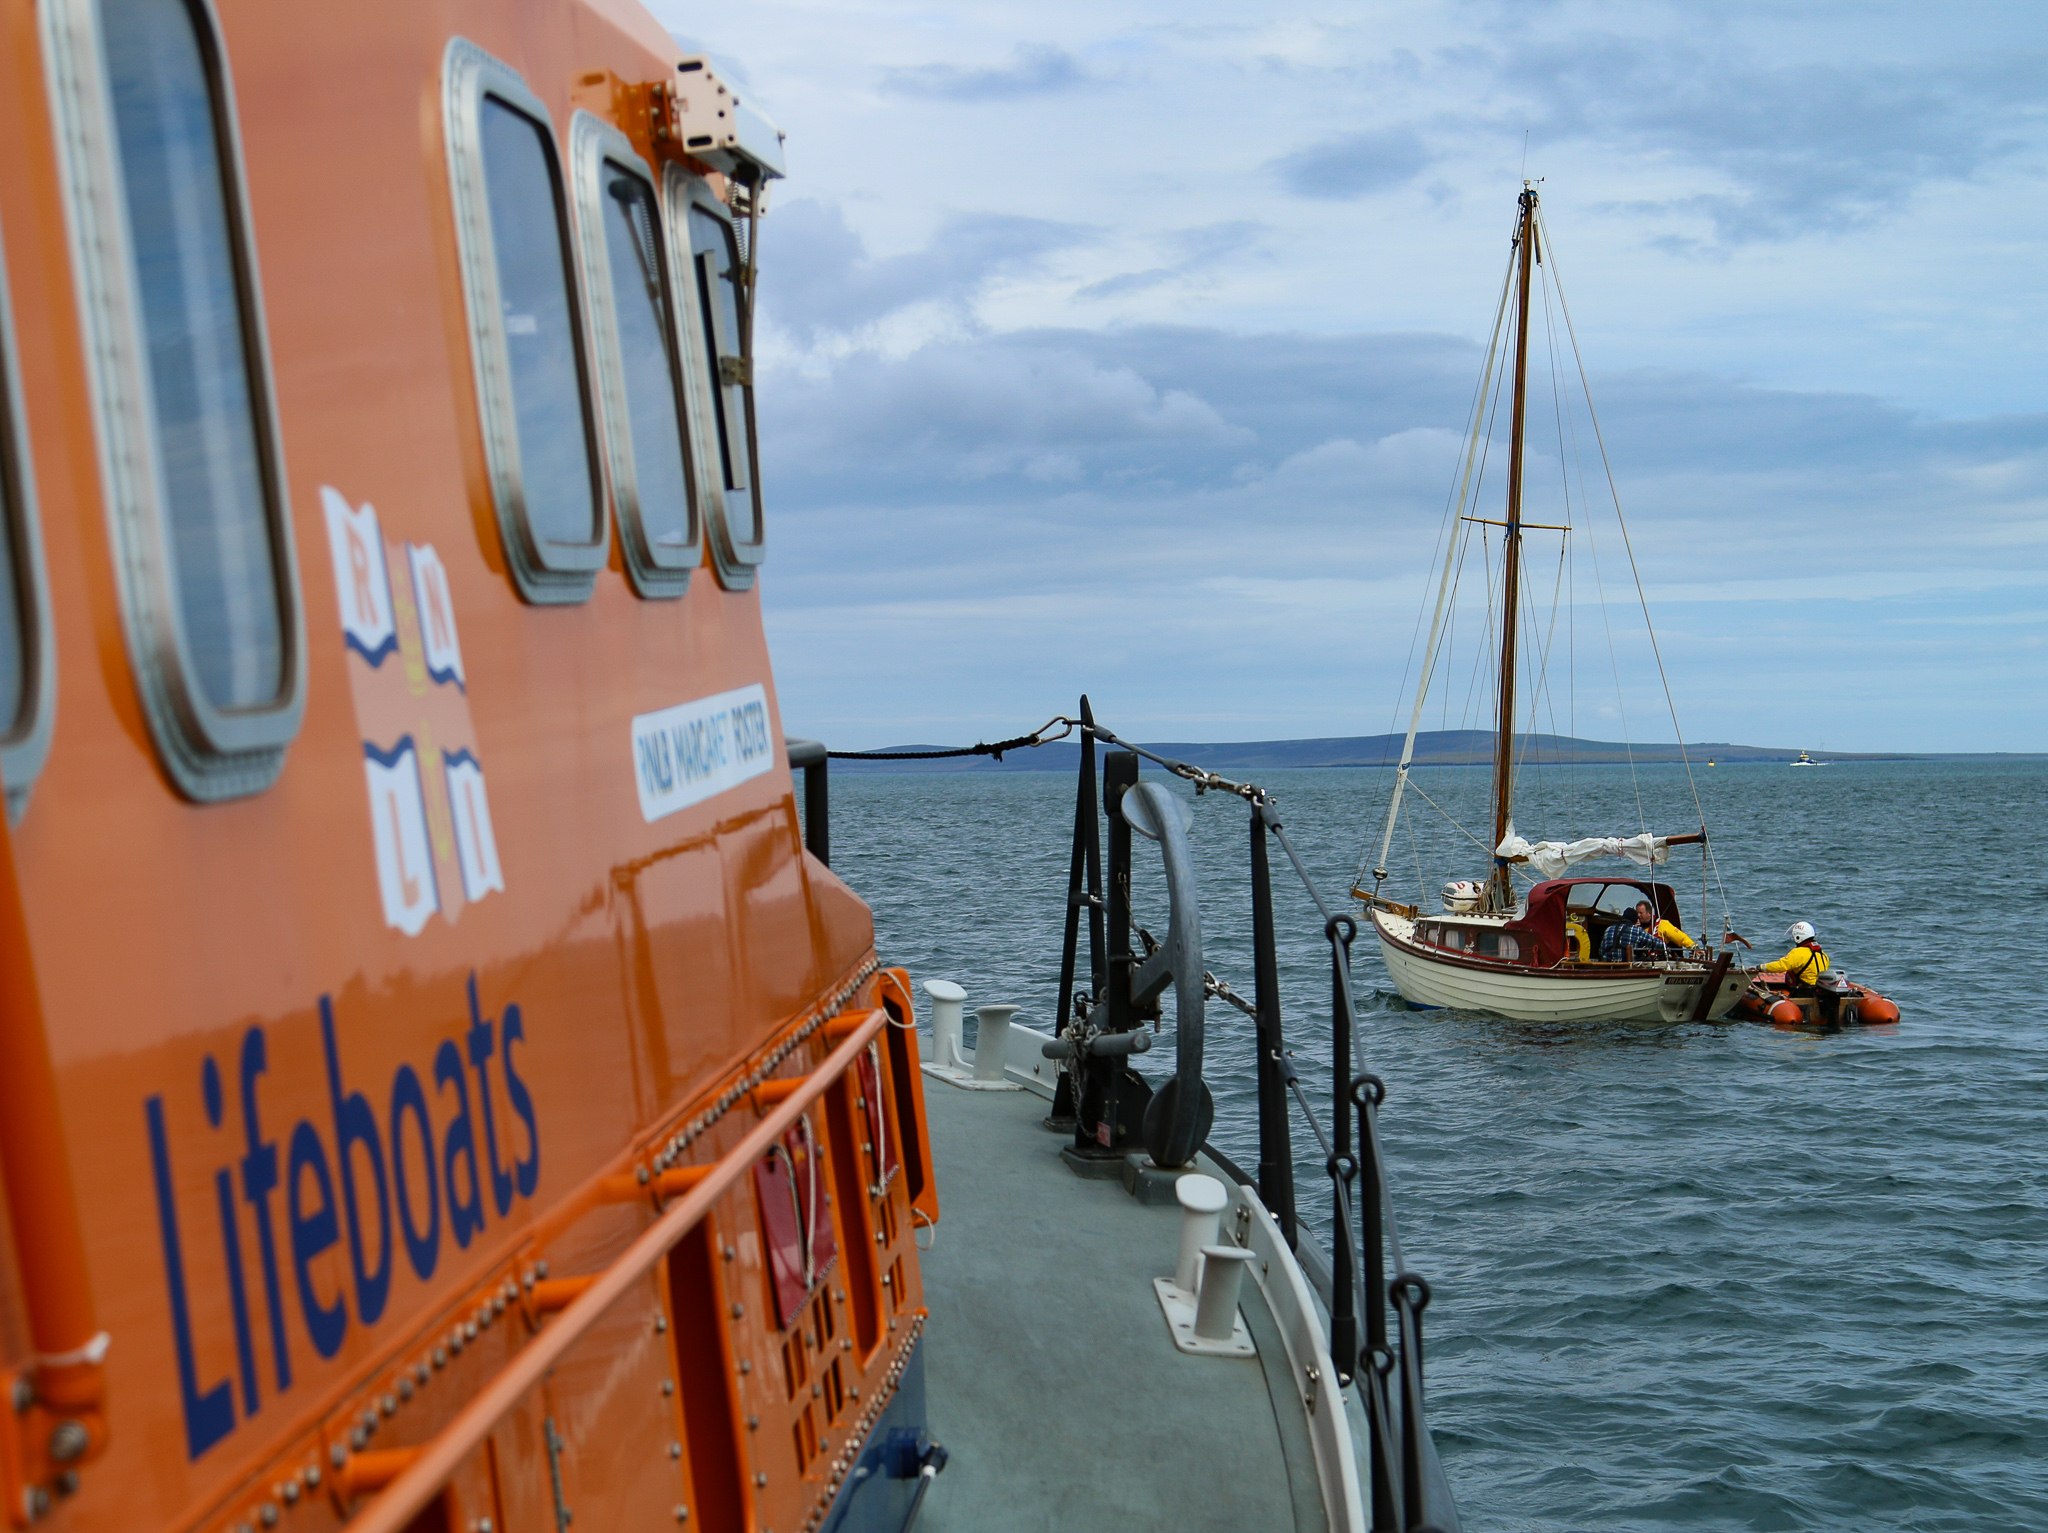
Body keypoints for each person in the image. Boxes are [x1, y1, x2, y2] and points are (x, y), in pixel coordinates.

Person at [1761, 921, 1828, 995]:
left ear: (1798, 937)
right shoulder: (1823, 955)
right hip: (1817, 991)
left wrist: (1760, 968)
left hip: (1803, 992)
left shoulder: (1798, 952)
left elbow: (1781, 966)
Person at [1600, 903, 1671, 962]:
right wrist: (1668, 950)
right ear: (1635, 920)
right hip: (1627, 967)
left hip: (1608, 966)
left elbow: (1601, 951)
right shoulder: (1637, 930)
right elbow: (1658, 944)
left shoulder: (1608, 929)